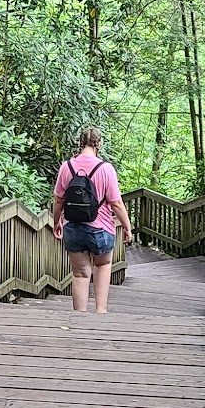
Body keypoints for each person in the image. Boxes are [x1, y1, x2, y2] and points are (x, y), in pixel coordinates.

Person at [51, 126, 133, 313]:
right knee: (103, 265)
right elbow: (116, 203)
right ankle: (100, 312)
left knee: (80, 274)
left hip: (72, 227)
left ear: (80, 143)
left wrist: (57, 222)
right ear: (99, 144)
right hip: (100, 228)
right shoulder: (106, 169)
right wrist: (127, 227)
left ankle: (80, 318)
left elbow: (58, 200)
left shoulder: (67, 167)